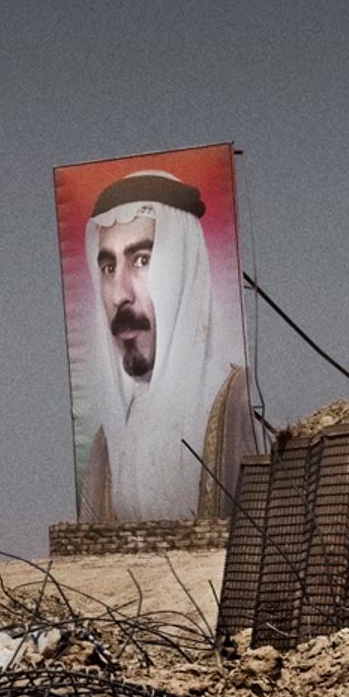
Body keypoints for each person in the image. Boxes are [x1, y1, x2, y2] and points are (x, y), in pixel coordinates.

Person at [71, 169, 252, 521]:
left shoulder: (237, 402)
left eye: (142, 260)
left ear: (183, 269)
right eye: (108, 266)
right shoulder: (106, 445)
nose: (120, 294)